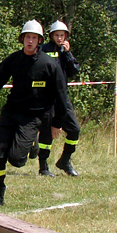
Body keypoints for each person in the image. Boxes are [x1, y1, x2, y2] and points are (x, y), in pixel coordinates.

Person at [0, 20, 71, 208]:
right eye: (27, 37)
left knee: (17, 160)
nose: (30, 41)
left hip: (32, 118)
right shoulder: (14, 59)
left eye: (34, 38)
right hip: (11, 112)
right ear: (23, 39)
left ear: (39, 41)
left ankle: (32, 144)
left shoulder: (49, 64)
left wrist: (57, 123)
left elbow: (61, 95)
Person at [38, 20, 81, 176]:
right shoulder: (43, 49)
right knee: (46, 134)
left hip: (62, 98)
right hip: (46, 98)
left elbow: (74, 71)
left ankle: (65, 161)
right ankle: (43, 167)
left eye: (62, 35)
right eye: (57, 35)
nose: (60, 38)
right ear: (51, 36)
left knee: (75, 130)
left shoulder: (65, 52)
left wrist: (67, 54)